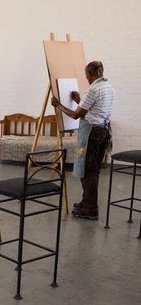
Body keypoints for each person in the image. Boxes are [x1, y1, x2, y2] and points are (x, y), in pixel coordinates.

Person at [51, 61, 114, 220]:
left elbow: (76, 115)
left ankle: (91, 209)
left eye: (86, 75)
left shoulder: (93, 89)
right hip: (103, 132)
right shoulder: (108, 87)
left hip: (91, 134)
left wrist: (58, 105)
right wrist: (79, 100)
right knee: (93, 170)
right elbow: (93, 109)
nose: (86, 78)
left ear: (90, 74)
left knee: (87, 172)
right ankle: (86, 202)